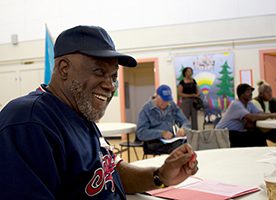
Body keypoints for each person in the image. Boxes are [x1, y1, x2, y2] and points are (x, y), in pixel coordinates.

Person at [0, 25, 198, 199]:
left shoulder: (80, 113)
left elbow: (110, 170)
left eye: (113, 77)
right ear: (63, 68)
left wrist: (160, 175)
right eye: (99, 72)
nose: (110, 86)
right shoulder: (28, 121)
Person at [215, 83, 276, 147]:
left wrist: (271, 115)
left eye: (251, 91)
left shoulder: (249, 103)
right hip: (224, 135)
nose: (251, 93)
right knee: (258, 137)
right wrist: (271, 115)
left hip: (235, 132)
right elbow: (252, 118)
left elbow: (260, 113)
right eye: (248, 91)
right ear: (241, 94)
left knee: (259, 134)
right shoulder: (236, 104)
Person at [136, 84, 191, 154]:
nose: (165, 103)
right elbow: (141, 133)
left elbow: (185, 122)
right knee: (179, 149)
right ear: (156, 96)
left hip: (171, 140)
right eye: (163, 100)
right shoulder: (146, 109)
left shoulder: (172, 106)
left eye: (167, 100)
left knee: (189, 144)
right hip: (153, 142)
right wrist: (161, 133)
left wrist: (183, 129)